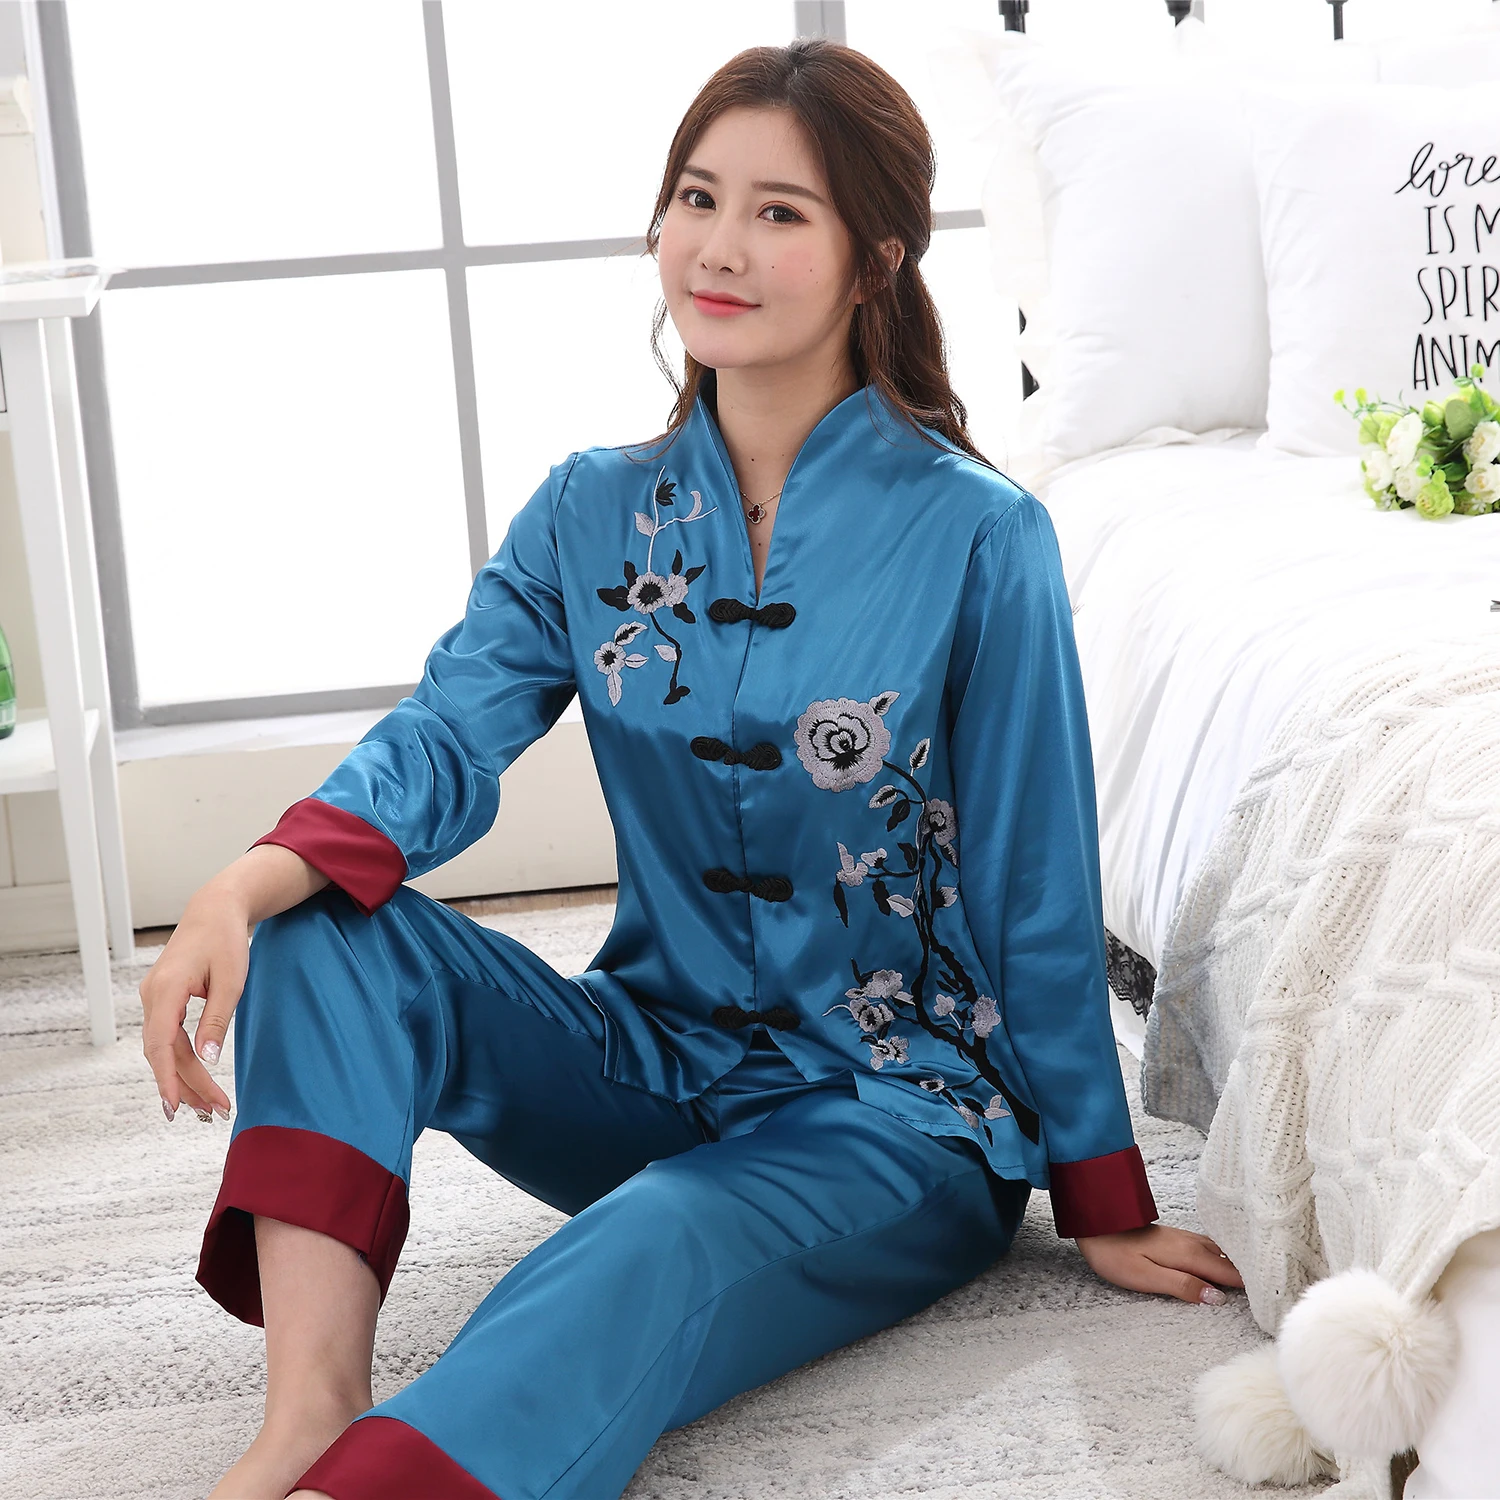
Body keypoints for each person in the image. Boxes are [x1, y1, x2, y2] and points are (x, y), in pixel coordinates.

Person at [138, 37, 1243, 1500]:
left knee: (651, 1239)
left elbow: (1037, 881)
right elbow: (449, 734)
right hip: (652, 1059)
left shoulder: (980, 535)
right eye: (697, 198)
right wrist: (242, 883)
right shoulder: (589, 513)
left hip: (895, 1117)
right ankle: (308, 1414)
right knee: (322, 921)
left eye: (781, 213)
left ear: (876, 259)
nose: (720, 248)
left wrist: (1101, 1191)